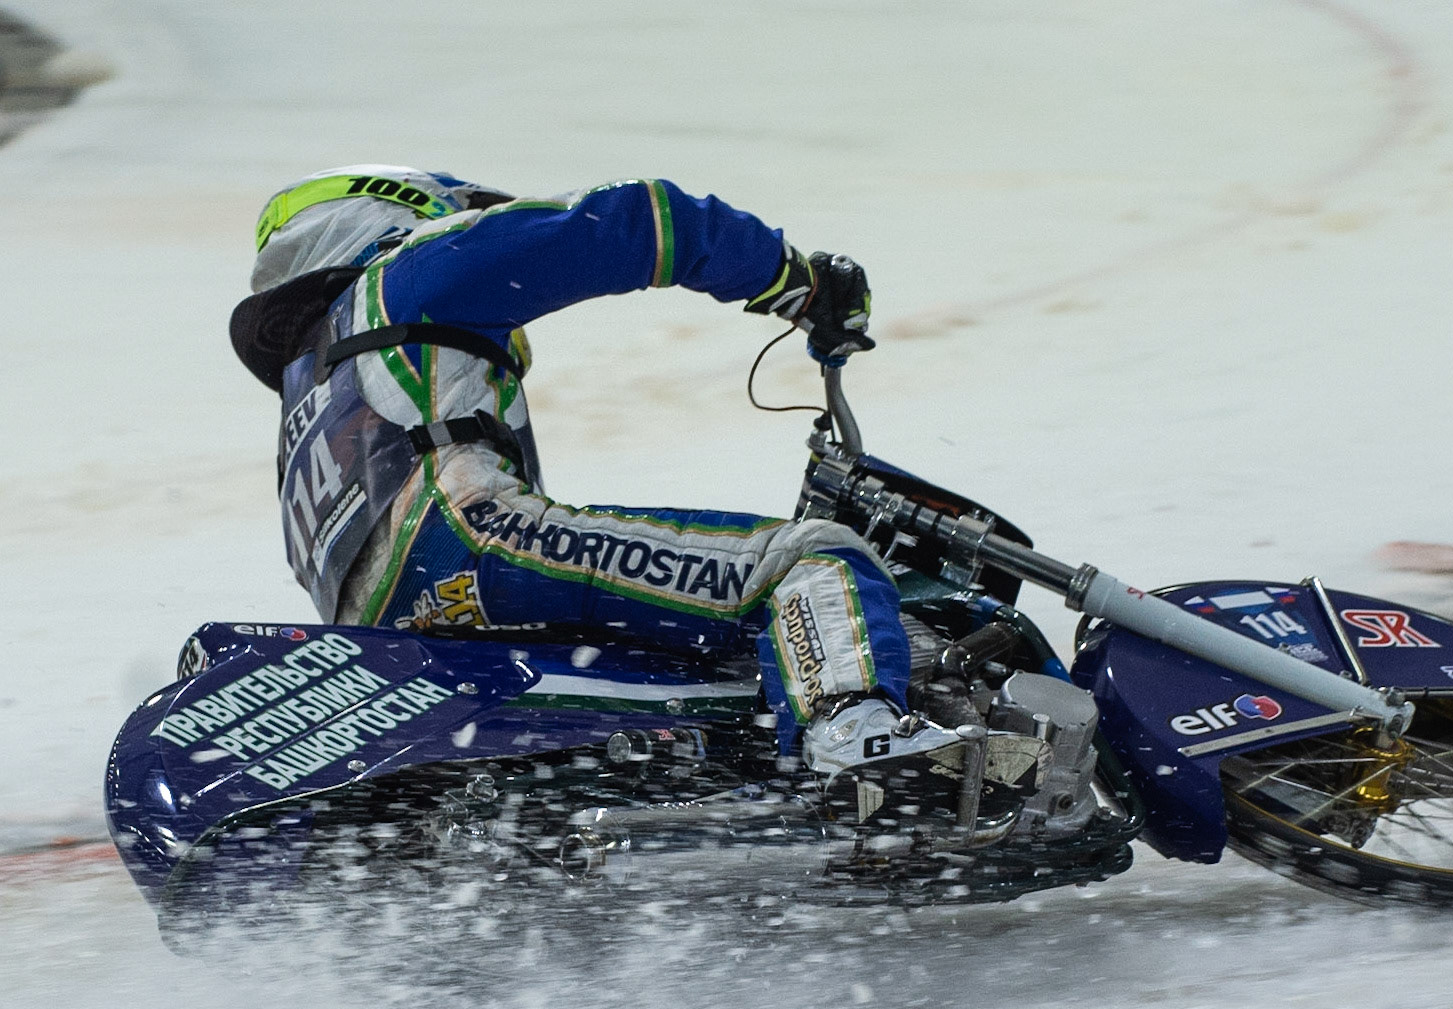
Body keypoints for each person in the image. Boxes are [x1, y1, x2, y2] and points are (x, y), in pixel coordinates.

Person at [229, 165, 960, 775]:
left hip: (389, 626)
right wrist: (796, 282)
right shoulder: (405, 275)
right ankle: (856, 739)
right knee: (807, 561)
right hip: (468, 539)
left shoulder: (313, 395)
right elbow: (639, 221)